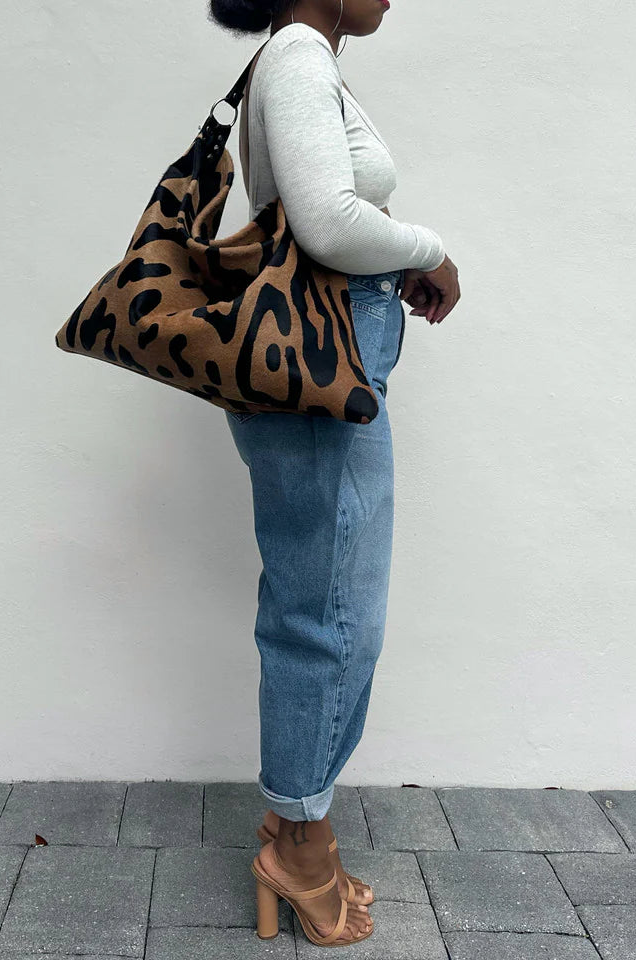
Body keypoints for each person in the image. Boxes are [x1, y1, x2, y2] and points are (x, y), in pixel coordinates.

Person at [209, 0, 461, 945]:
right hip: (324, 363)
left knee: (323, 601)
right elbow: (324, 222)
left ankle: (294, 825)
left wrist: (389, 257)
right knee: (331, 613)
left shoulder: (301, 57)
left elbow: (327, 216)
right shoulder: (298, 56)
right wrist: (430, 251)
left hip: (325, 356)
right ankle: (301, 848)